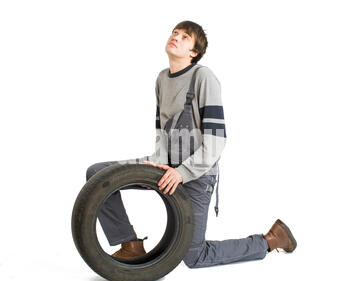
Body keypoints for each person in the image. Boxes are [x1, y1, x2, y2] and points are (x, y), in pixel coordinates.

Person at [86, 21, 297, 268]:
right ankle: (130, 244)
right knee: (98, 174)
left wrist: (182, 172)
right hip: (166, 168)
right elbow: (162, 131)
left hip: (198, 175)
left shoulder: (203, 77)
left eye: (185, 37)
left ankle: (269, 241)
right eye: (175, 32)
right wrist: (155, 164)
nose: (176, 37)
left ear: (193, 52)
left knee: (194, 256)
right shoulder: (162, 78)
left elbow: (217, 139)